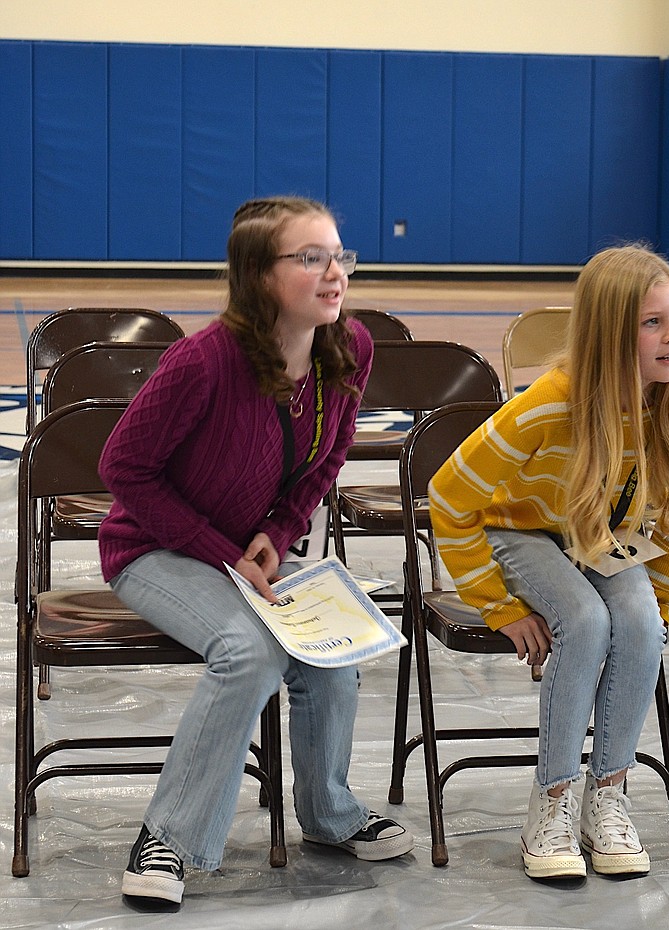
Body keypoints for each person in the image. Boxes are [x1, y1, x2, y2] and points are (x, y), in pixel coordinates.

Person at [99, 195, 413, 907]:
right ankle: (167, 839)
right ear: (257, 276)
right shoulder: (201, 362)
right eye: (311, 258)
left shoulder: (349, 349)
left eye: (340, 255)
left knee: (335, 641)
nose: (335, 273)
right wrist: (222, 551)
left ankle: (330, 815)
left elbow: (329, 458)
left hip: (250, 551)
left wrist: (277, 533)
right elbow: (123, 471)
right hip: (154, 549)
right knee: (251, 652)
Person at [428, 245, 669, 880]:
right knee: (585, 622)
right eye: (651, 323)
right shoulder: (549, 402)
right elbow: (450, 495)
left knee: (643, 625)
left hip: (600, 538)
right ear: (608, 333)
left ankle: (607, 798)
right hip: (520, 532)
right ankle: (553, 800)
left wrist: (661, 596)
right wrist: (499, 606)